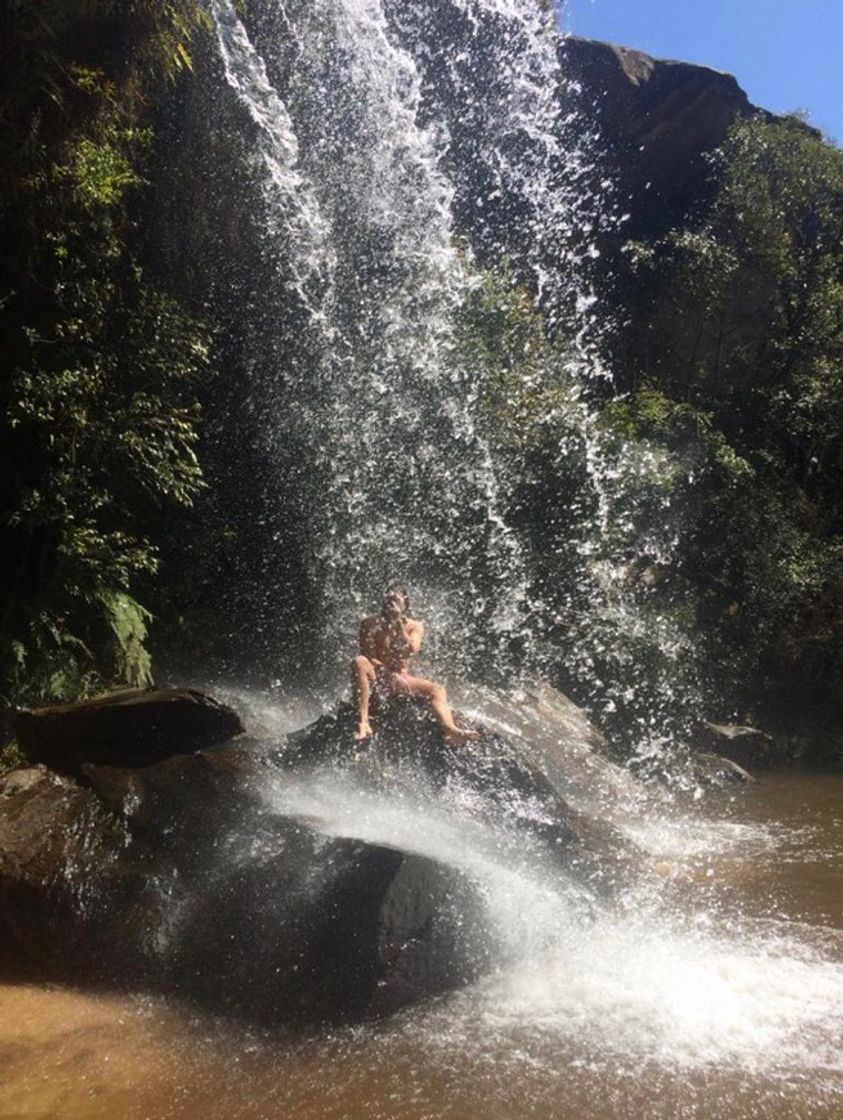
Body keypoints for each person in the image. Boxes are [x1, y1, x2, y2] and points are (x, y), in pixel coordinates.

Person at [351, 586, 481, 745]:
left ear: (405, 605)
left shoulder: (415, 626)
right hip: (377, 676)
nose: (390, 604)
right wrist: (387, 673)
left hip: (402, 678)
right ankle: (363, 721)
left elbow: (411, 650)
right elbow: (368, 657)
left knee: (437, 689)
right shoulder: (369, 623)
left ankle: (450, 729)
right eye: (387, 599)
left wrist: (397, 622)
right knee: (358, 661)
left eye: (395, 601)